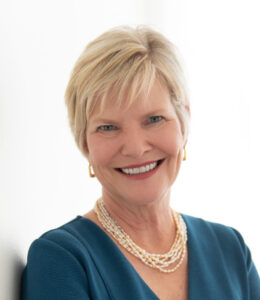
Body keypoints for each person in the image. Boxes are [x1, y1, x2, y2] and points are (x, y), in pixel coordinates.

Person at [22, 26, 260, 300]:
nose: (135, 148)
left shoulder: (230, 250)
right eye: (108, 127)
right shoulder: (62, 261)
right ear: (85, 143)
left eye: (154, 119)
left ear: (184, 123)